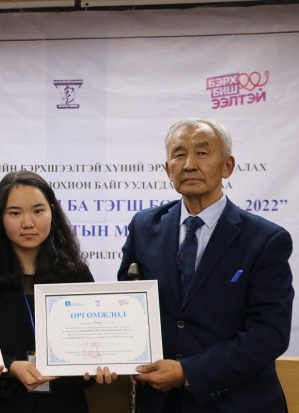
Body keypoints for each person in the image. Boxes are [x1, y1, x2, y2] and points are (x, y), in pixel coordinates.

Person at [117, 118, 294, 412]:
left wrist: (188, 372)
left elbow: (269, 334)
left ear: (227, 166)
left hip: (237, 402)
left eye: (202, 152)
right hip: (160, 403)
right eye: (179, 154)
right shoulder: (144, 227)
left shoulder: (265, 240)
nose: (189, 164)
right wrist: (113, 356)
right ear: (168, 169)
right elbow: (127, 306)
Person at [0, 170, 116, 413]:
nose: (28, 223)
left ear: (52, 212)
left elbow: (92, 345)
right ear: (0, 218)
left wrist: (98, 367)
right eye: (15, 213)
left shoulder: (75, 274)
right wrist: (11, 367)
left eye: (38, 211)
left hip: (63, 404)